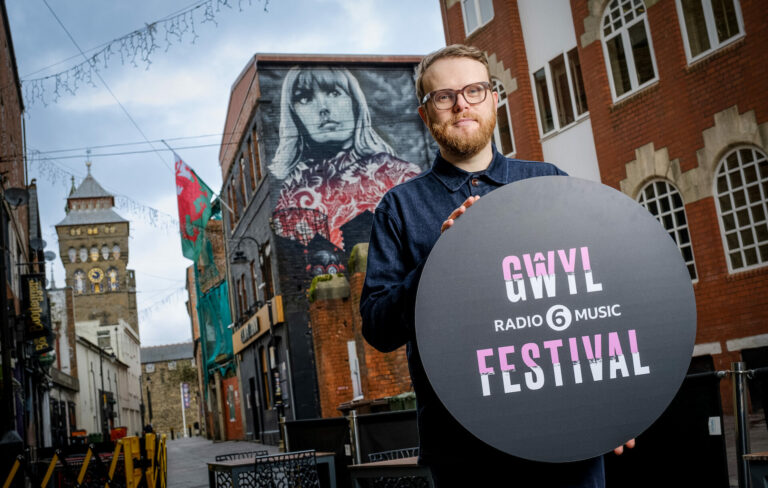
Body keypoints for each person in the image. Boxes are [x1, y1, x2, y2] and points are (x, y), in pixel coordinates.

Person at [360, 44, 632, 486]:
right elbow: (378, 327)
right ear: (426, 115)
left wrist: (619, 401)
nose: (461, 103)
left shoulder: (548, 183)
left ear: (494, 100)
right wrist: (441, 260)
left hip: (568, 434)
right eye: (443, 96)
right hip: (463, 447)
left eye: (474, 90)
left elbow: (605, 295)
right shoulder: (400, 208)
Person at [270, 66, 422, 250]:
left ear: (355, 102)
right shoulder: (293, 189)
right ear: (293, 114)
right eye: (305, 98)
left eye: (334, 93)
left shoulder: (397, 173)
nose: (323, 108)